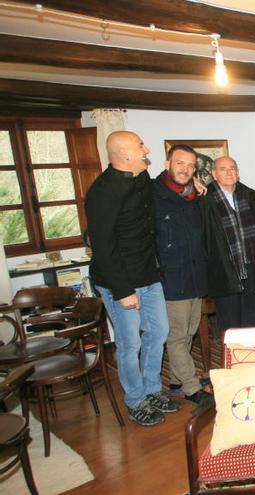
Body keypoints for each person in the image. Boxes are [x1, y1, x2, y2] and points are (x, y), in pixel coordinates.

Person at [86, 130, 181, 426]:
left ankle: (152, 390)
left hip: (148, 275)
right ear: (124, 154)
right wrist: (122, 290)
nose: (146, 148)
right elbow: (103, 247)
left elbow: (163, 191)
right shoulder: (102, 192)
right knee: (130, 344)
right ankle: (136, 400)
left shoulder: (141, 178)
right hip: (120, 281)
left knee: (158, 333)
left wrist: (192, 183)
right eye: (141, 145)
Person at [152, 144, 212, 408]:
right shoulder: (152, 194)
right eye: (180, 163)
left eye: (190, 165)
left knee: (188, 332)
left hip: (195, 275)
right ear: (167, 164)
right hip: (170, 278)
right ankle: (190, 388)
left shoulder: (196, 196)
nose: (185, 169)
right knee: (176, 335)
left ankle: (176, 382)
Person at [203, 156, 255, 333]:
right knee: (230, 324)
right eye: (223, 169)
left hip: (253, 267)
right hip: (225, 270)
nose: (229, 172)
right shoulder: (205, 200)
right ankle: (235, 359)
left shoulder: (251, 196)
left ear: (238, 172)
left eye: (232, 168)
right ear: (213, 174)